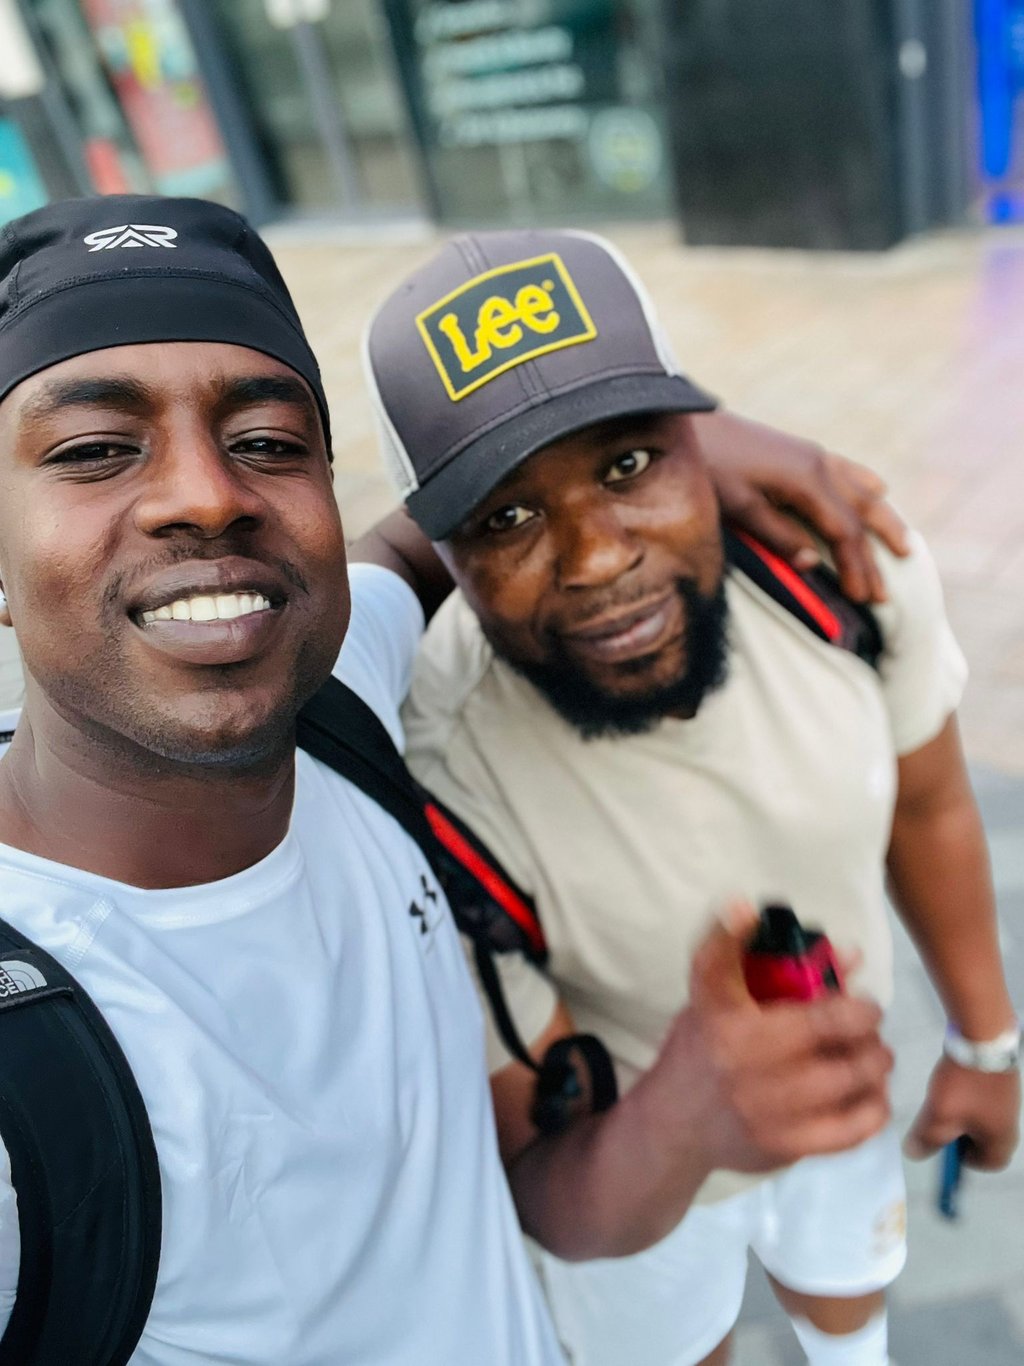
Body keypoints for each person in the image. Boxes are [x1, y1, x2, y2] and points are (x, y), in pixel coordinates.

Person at [0, 198, 902, 1364]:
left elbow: (411, 541)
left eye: (267, 440)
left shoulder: (340, 700)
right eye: (92, 450)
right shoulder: (29, 1047)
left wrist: (672, 448)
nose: (206, 495)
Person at [360, 228, 1023, 1366]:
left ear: (704, 443)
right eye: (506, 517)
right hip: (627, 1161)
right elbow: (551, 1191)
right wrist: (680, 1120)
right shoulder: (440, 774)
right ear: (442, 555)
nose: (596, 556)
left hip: (841, 1086)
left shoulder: (839, 577)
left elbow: (930, 807)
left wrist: (987, 1043)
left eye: (628, 464)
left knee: (851, 1320)